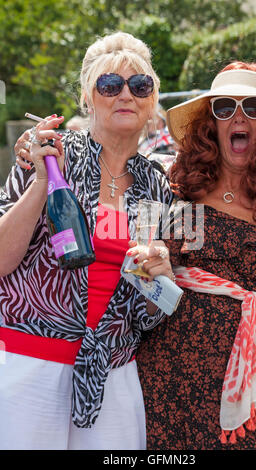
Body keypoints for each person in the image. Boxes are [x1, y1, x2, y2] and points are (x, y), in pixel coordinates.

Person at [0, 31, 174, 450]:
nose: (125, 95)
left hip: (114, 372)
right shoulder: (46, 155)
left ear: (152, 100)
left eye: (139, 85)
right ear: (88, 96)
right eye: (110, 85)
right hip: (32, 364)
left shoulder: (158, 186)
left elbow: (148, 314)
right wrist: (42, 183)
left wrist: (161, 278)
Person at [135, 61, 256, 450]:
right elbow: (135, 258)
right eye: (225, 106)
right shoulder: (174, 188)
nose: (238, 116)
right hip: (169, 380)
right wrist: (150, 259)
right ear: (212, 122)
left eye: (253, 108)